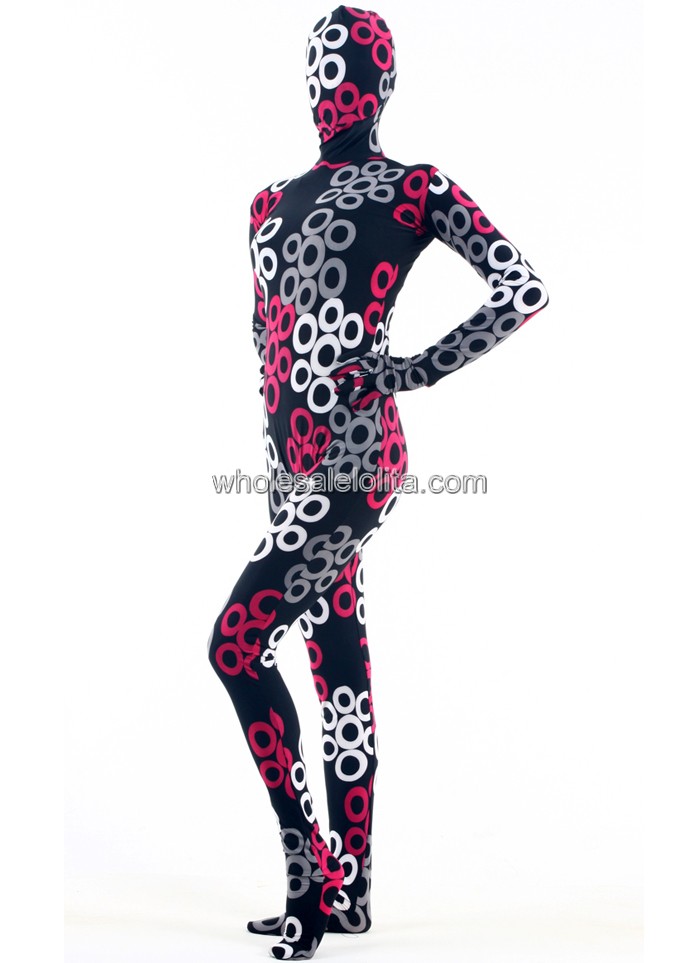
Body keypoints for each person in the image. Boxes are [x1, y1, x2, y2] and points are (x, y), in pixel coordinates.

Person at [207, 5, 549, 959]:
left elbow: (520, 287)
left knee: (235, 644)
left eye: (352, 68)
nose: (335, 84)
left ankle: (308, 879)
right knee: (337, 666)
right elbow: (269, 344)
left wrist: (413, 370)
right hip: (288, 467)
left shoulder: (413, 188)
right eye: (322, 67)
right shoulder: (266, 204)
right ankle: (350, 889)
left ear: (384, 84)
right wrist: (279, 468)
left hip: (358, 458)